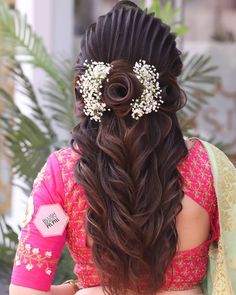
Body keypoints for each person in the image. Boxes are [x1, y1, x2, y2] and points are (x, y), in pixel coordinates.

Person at [9, 1, 236, 295]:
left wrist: (78, 289)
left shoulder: (62, 176)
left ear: (86, 87)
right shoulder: (209, 169)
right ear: (167, 89)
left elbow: (27, 291)